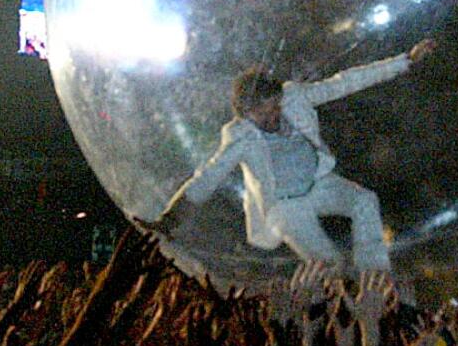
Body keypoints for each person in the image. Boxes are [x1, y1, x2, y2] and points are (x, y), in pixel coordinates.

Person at [148, 39, 436, 274]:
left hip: (319, 184)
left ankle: (375, 277)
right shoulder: (239, 137)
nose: (274, 115)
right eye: (265, 112)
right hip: (285, 207)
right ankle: (343, 294)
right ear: (247, 113)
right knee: (329, 264)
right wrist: (169, 221)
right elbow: (206, 179)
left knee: (364, 200)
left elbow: (344, 82)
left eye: (276, 107)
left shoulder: (294, 98)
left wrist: (405, 61)